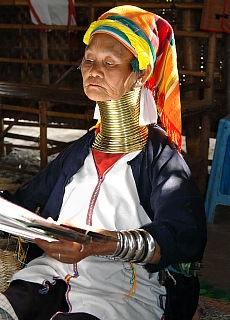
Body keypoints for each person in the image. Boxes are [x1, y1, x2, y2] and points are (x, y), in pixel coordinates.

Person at [0, 5, 207, 320]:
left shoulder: (162, 160)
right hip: (47, 277)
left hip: (125, 286)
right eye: (88, 60)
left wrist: (97, 244)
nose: (93, 71)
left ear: (141, 73)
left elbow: (183, 235)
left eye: (110, 62)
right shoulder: (79, 152)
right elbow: (22, 204)